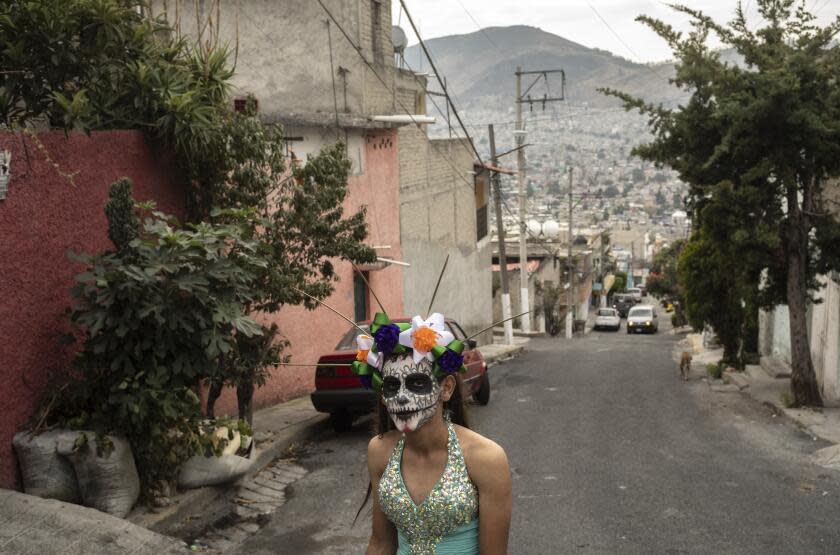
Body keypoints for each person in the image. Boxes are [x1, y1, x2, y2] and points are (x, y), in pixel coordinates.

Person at [352, 313, 512, 555]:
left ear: (446, 388)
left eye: (417, 383)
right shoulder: (380, 450)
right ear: (383, 397)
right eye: (393, 386)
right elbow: (381, 543)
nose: (402, 397)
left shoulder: (486, 459)